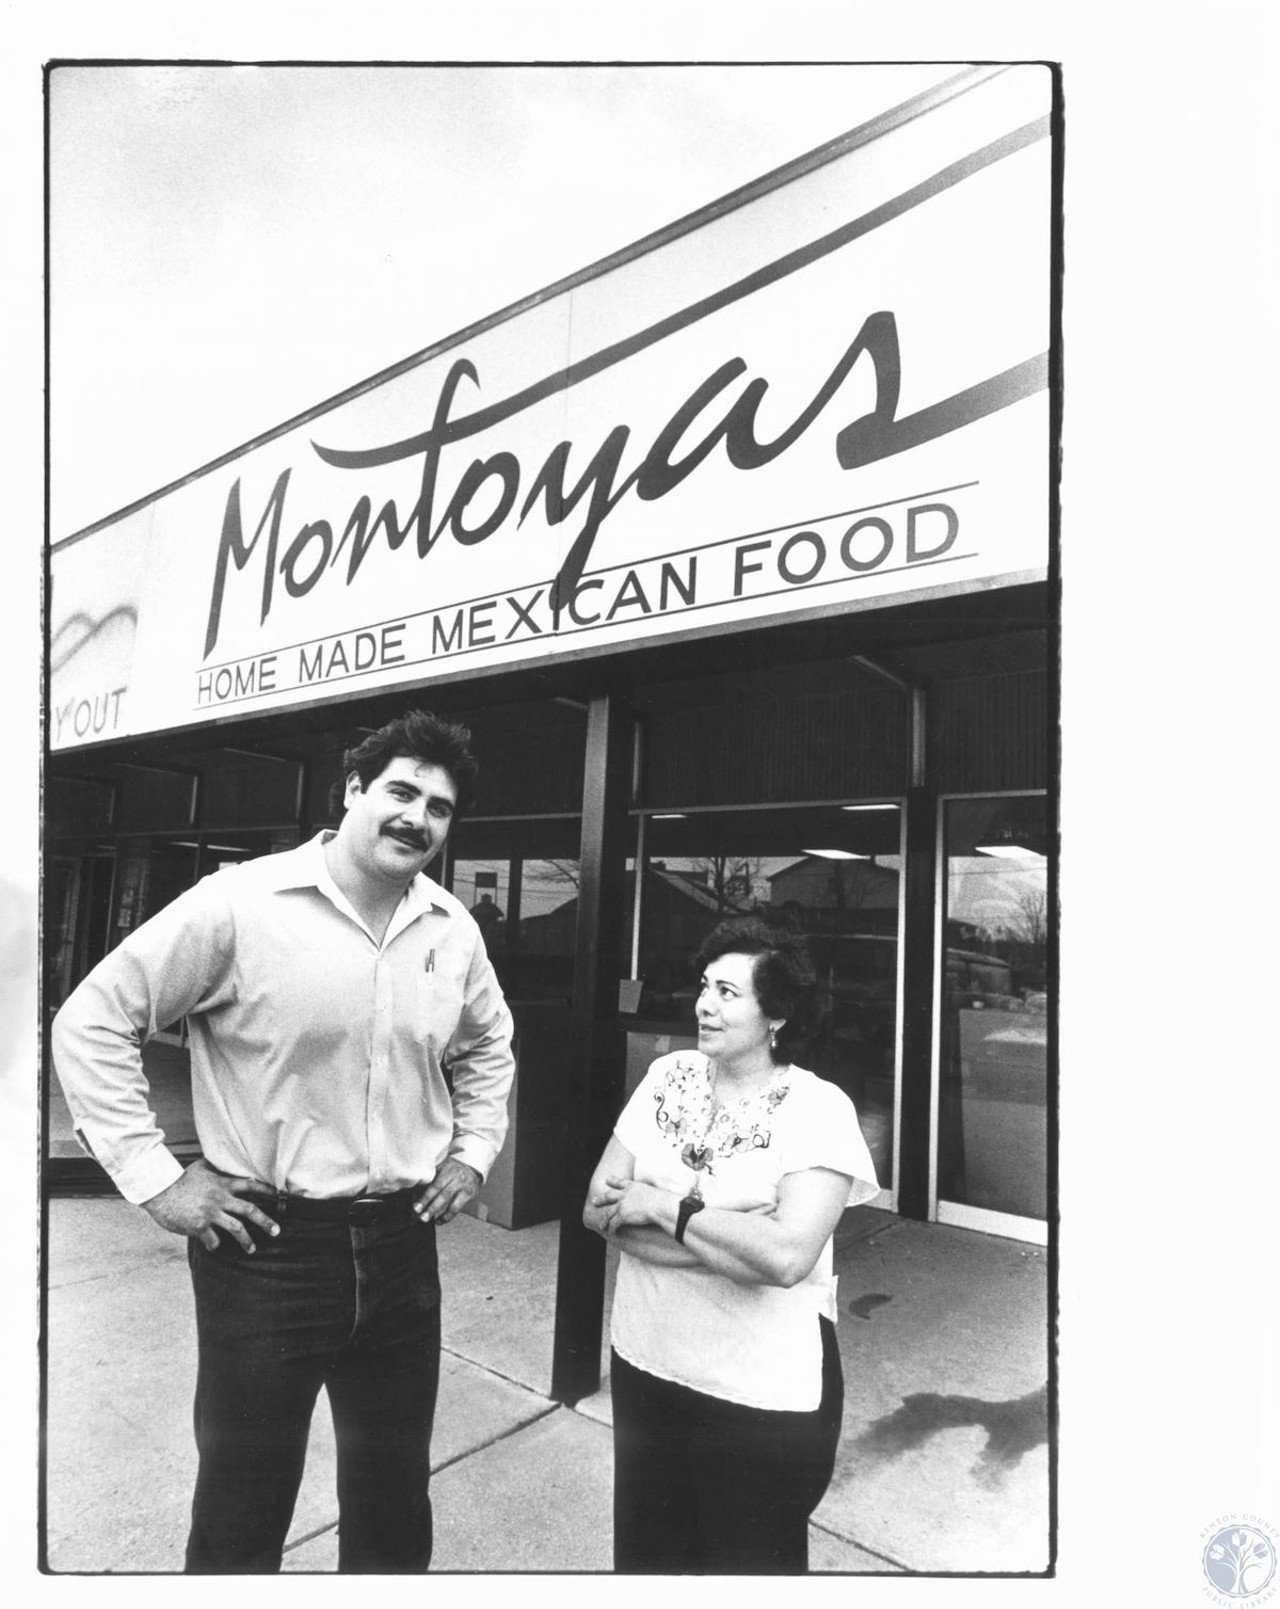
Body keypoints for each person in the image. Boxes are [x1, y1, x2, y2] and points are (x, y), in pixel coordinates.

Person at [51, 709, 515, 1574]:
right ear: (352, 793)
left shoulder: (452, 927)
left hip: (402, 1245)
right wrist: (158, 1180)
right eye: (401, 791)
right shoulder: (242, 902)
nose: (417, 817)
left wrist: (474, 1148)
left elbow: (489, 1043)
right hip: (267, 1249)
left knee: (391, 1492)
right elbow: (92, 1019)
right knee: (244, 1500)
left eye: (440, 807)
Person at [584, 915, 878, 1574]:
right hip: (647, 1364)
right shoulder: (667, 1076)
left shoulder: (817, 1110)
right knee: (649, 1564)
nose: (704, 1004)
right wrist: (736, 1230)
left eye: (727, 992)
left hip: (759, 1396)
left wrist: (661, 1205)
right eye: (704, 985)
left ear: (774, 1013)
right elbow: (597, 1210)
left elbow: (785, 1259)